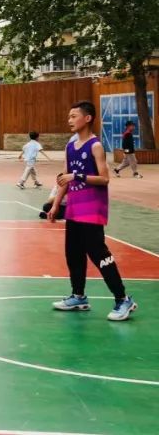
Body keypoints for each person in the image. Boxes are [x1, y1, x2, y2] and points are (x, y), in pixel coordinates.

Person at [49, 101, 136, 321]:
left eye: (74, 116)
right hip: (74, 208)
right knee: (73, 253)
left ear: (87, 118)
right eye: (69, 116)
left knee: (99, 254)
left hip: (92, 208)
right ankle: (78, 296)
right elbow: (64, 180)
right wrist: (56, 204)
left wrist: (77, 177)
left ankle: (123, 299)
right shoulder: (70, 147)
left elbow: (104, 178)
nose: (70, 120)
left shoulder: (96, 146)